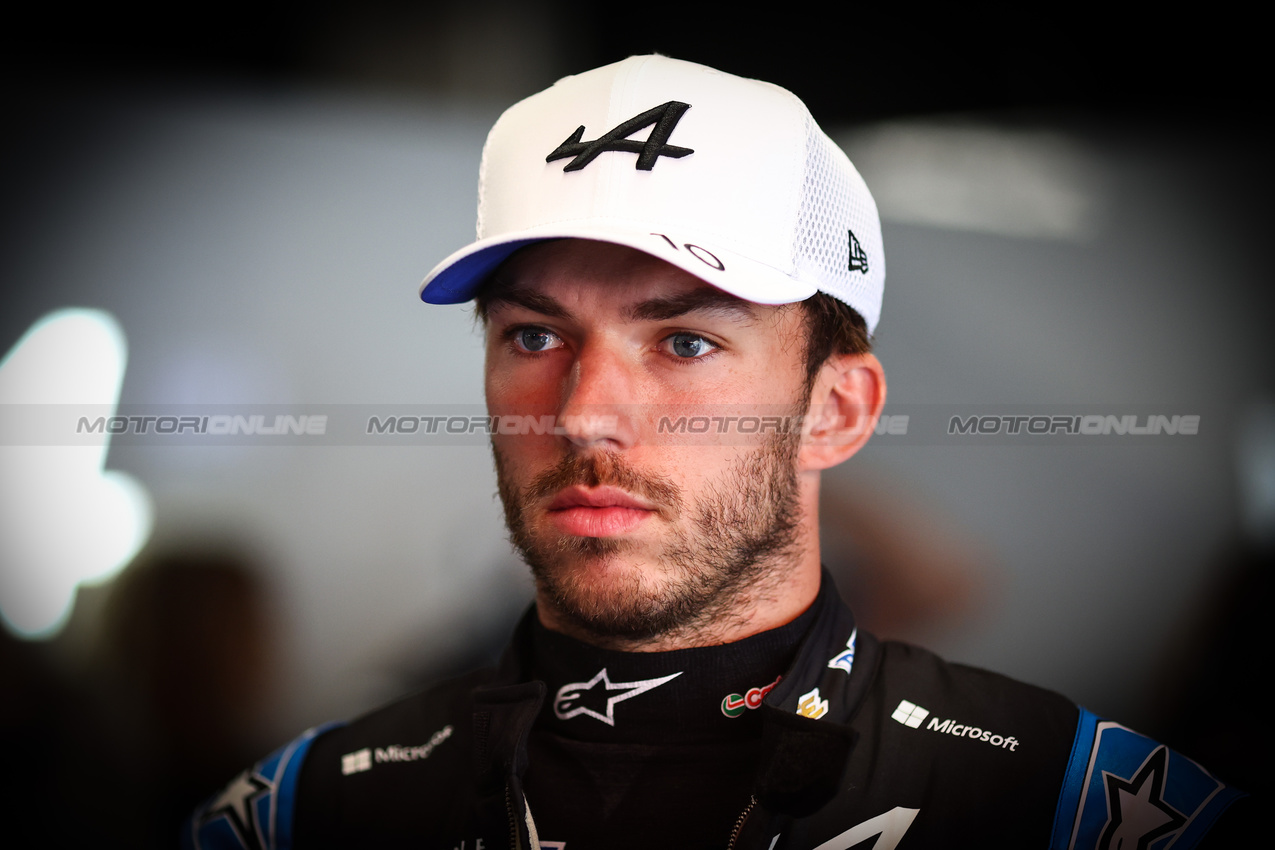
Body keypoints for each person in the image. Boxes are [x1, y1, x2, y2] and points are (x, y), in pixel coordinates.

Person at [185, 55, 1248, 850]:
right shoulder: (301, 809)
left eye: (686, 341)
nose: (586, 413)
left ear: (835, 411)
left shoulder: (1082, 808)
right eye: (535, 336)